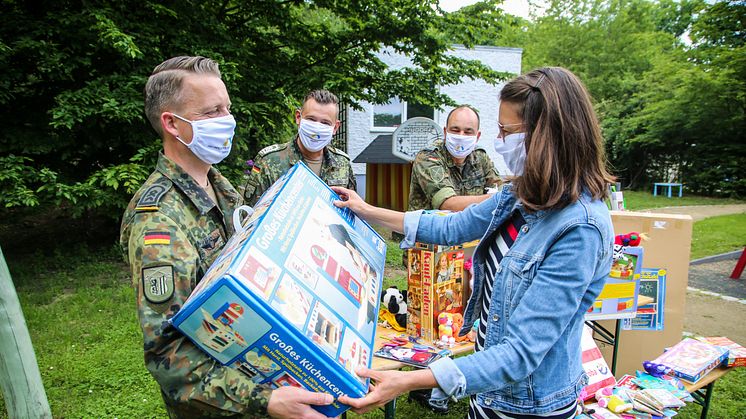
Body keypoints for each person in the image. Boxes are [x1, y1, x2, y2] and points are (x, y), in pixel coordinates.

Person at [333, 67, 615, 419]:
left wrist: (409, 381)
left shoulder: (580, 229)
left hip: (531, 406)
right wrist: (366, 210)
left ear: (546, 135)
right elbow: (451, 226)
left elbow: (521, 353)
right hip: (488, 396)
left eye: (506, 131)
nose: (498, 141)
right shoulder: (520, 193)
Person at [120, 56, 334, 418]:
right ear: (172, 123)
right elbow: (168, 356)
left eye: (227, 109)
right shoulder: (159, 222)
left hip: (261, 373)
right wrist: (264, 400)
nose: (227, 121)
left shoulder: (220, 188)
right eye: (211, 112)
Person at [243, 90, 356, 206]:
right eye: (311, 119)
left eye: (325, 123)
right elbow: (251, 215)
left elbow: (351, 211)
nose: (317, 127)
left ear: (335, 127)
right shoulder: (269, 161)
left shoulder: (343, 163)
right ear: (298, 117)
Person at [408, 105, 502, 212]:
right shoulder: (428, 157)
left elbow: (500, 186)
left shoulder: (480, 156)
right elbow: (447, 204)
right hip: (431, 226)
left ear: (477, 136)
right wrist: (496, 199)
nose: (461, 136)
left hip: (469, 227)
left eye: (468, 132)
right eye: (455, 130)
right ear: (445, 131)